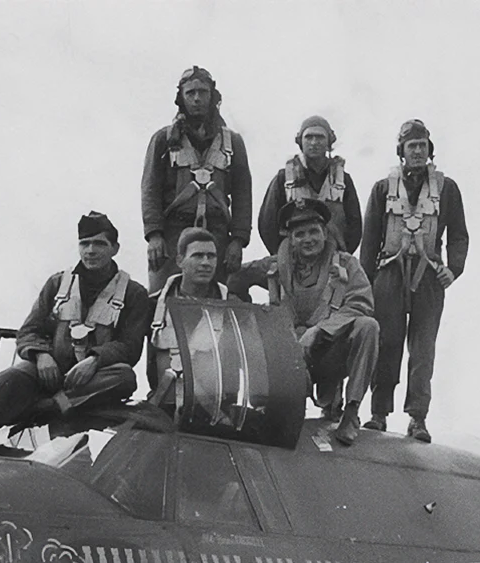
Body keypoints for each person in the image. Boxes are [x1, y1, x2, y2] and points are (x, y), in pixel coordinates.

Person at [0, 212, 149, 457]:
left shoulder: (134, 294)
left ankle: (47, 407)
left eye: (99, 244)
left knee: (124, 377)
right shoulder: (58, 283)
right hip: (49, 372)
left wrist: (94, 360)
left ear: (115, 248)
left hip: (92, 378)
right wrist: (41, 356)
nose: (91, 250)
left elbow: (130, 346)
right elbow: (29, 331)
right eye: (85, 243)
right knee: (12, 376)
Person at [229, 200, 378, 446]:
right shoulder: (276, 265)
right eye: (299, 234)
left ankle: (351, 411)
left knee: (368, 326)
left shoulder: (347, 264)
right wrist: (254, 315)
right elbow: (235, 278)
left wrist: (319, 330)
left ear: (324, 233)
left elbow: (361, 303)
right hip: (291, 358)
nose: (307, 239)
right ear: (291, 238)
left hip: (330, 352)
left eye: (313, 232)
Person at [359, 119, 469, 443]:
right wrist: (367, 283)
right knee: (387, 343)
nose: (418, 151)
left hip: (429, 278)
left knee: (423, 350)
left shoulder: (447, 189)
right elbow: (370, 239)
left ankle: (417, 418)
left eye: (422, 145)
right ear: (402, 151)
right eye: (412, 146)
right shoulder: (382, 189)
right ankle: (378, 414)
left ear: (429, 149)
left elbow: (459, 235)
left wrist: (455, 268)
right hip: (389, 276)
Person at [141, 66, 252, 293]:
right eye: (190, 93)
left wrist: (238, 240)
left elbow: (243, 194)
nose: (197, 98)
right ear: (181, 98)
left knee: (217, 301)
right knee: (162, 298)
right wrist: (154, 235)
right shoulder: (163, 140)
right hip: (173, 234)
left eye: (203, 92)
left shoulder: (233, 143)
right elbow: (149, 189)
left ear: (212, 96)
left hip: (217, 235)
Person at [258, 115, 362, 255]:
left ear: (329, 142)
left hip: (333, 256)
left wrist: (343, 253)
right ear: (300, 141)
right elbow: (267, 223)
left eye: (320, 137)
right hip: (293, 258)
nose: (314, 142)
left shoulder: (343, 180)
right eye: (308, 137)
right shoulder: (284, 178)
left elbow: (355, 224)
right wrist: (282, 256)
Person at [146, 227, 229, 397]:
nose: (206, 263)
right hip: (163, 402)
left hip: (214, 408)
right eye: (198, 256)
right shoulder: (153, 305)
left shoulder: (231, 307)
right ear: (179, 261)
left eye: (211, 256)